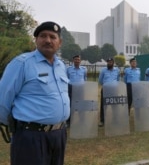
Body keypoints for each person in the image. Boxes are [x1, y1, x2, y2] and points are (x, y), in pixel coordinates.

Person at [0, 21, 70, 165]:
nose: (48, 40)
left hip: (59, 134)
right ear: (36, 40)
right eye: (43, 36)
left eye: (52, 37)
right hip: (30, 137)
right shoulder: (22, 63)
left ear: (60, 42)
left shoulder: (61, 66)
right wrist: (17, 126)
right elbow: (3, 99)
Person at [98, 58, 120, 126]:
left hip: (114, 90)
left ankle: (115, 120)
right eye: (108, 62)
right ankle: (102, 121)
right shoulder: (103, 70)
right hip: (105, 89)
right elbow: (100, 81)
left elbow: (118, 79)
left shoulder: (117, 70)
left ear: (113, 63)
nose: (109, 63)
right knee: (104, 105)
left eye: (111, 62)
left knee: (115, 105)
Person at [66, 55, 87, 125]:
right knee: (71, 105)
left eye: (78, 59)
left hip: (80, 89)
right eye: (75, 59)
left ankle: (82, 120)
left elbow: (85, 79)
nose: (77, 61)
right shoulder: (68, 69)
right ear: (73, 60)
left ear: (80, 61)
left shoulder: (84, 69)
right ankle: (69, 121)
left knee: (81, 104)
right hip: (71, 88)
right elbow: (66, 79)